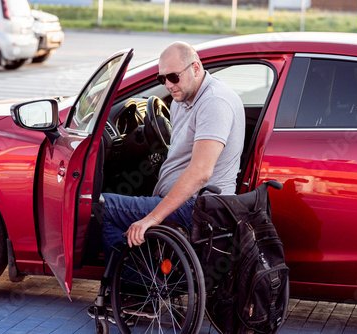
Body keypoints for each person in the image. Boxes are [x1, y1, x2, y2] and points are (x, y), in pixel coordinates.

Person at [88, 41, 245, 322]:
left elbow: (200, 172)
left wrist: (152, 218)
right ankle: (145, 285)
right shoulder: (184, 97)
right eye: (162, 79)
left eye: (174, 77)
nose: (168, 84)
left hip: (198, 207)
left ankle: (140, 291)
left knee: (99, 205)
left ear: (196, 68)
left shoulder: (214, 103)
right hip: (186, 201)